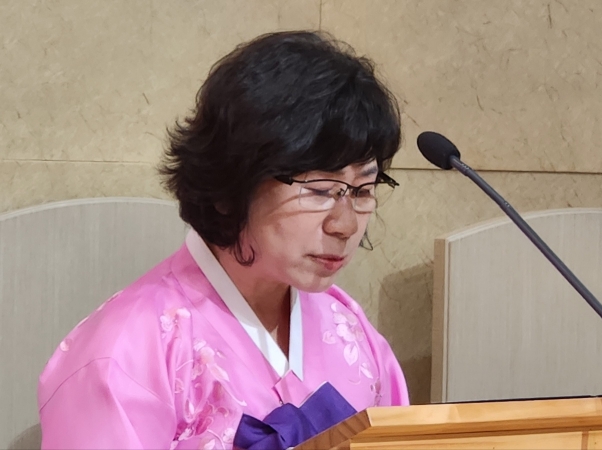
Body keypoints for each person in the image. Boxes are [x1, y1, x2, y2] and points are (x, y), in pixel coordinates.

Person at [37, 30, 409, 450]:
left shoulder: (349, 329)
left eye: (362, 190)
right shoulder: (126, 351)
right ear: (231, 186)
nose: (345, 224)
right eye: (320, 189)